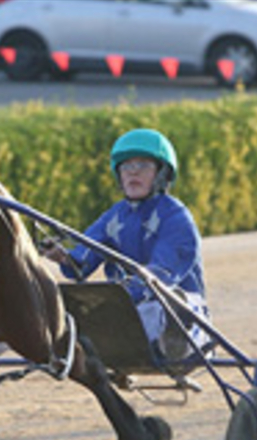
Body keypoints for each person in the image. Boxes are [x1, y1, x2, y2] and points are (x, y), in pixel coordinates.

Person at [44, 128, 210, 362]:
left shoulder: (176, 218)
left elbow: (161, 275)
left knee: (158, 305)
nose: (133, 172)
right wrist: (64, 257)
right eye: (126, 167)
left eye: (142, 165)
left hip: (180, 315)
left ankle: (171, 341)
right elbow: (81, 264)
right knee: (62, 308)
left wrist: (114, 300)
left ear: (162, 174)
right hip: (126, 312)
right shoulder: (115, 217)